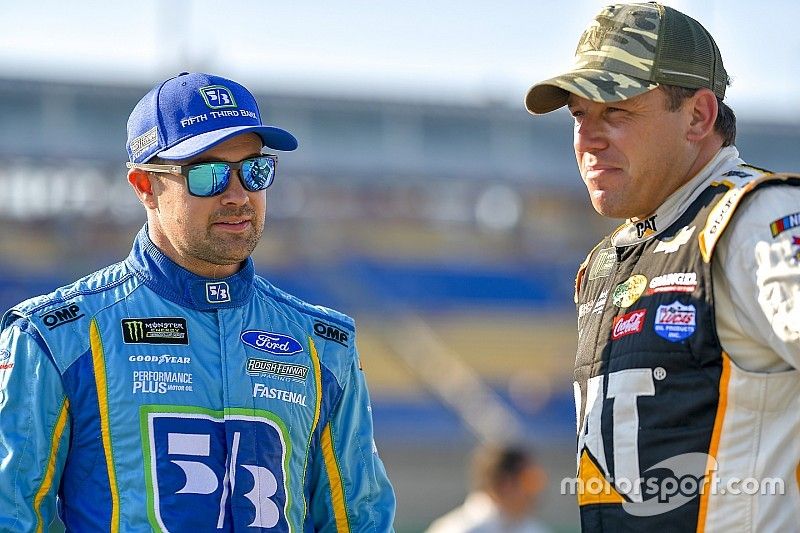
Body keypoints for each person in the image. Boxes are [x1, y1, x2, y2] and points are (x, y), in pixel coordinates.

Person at [0, 72, 396, 531]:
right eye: (208, 175)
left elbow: (360, 519)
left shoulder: (325, 345)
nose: (238, 195)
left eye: (254, 170)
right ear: (145, 185)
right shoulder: (53, 337)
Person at [525, 2, 800, 531]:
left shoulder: (755, 220)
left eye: (617, 111)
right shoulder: (607, 259)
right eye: (579, 115)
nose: (587, 139)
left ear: (698, 116)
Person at [426, 444, 550, 533]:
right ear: (505, 484)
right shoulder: (457, 529)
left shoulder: (533, 529)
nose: (536, 490)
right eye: (529, 480)